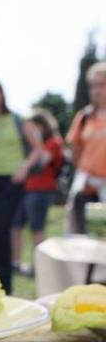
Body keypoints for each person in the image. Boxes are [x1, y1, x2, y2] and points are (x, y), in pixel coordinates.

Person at [0, 81, 45, 294]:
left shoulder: (18, 120)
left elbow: (38, 148)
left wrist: (24, 168)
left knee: (2, 231)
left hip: (10, 181)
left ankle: (5, 284)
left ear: (1, 94)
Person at [10, 108, 64, 275]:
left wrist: (33, 150)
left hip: (42, 190)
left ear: (43, 126)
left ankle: (39, 267)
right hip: (27, 190)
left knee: (37, 229)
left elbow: (40, 162)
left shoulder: (53, 142)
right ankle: (16, 262)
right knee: (16, 226)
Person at [66, 62, 106, 234]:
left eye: (102, 85)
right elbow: (76, 150)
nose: (97, 90)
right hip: (85, 184)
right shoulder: (84, 117)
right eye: (93, 86)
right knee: (78, 231)